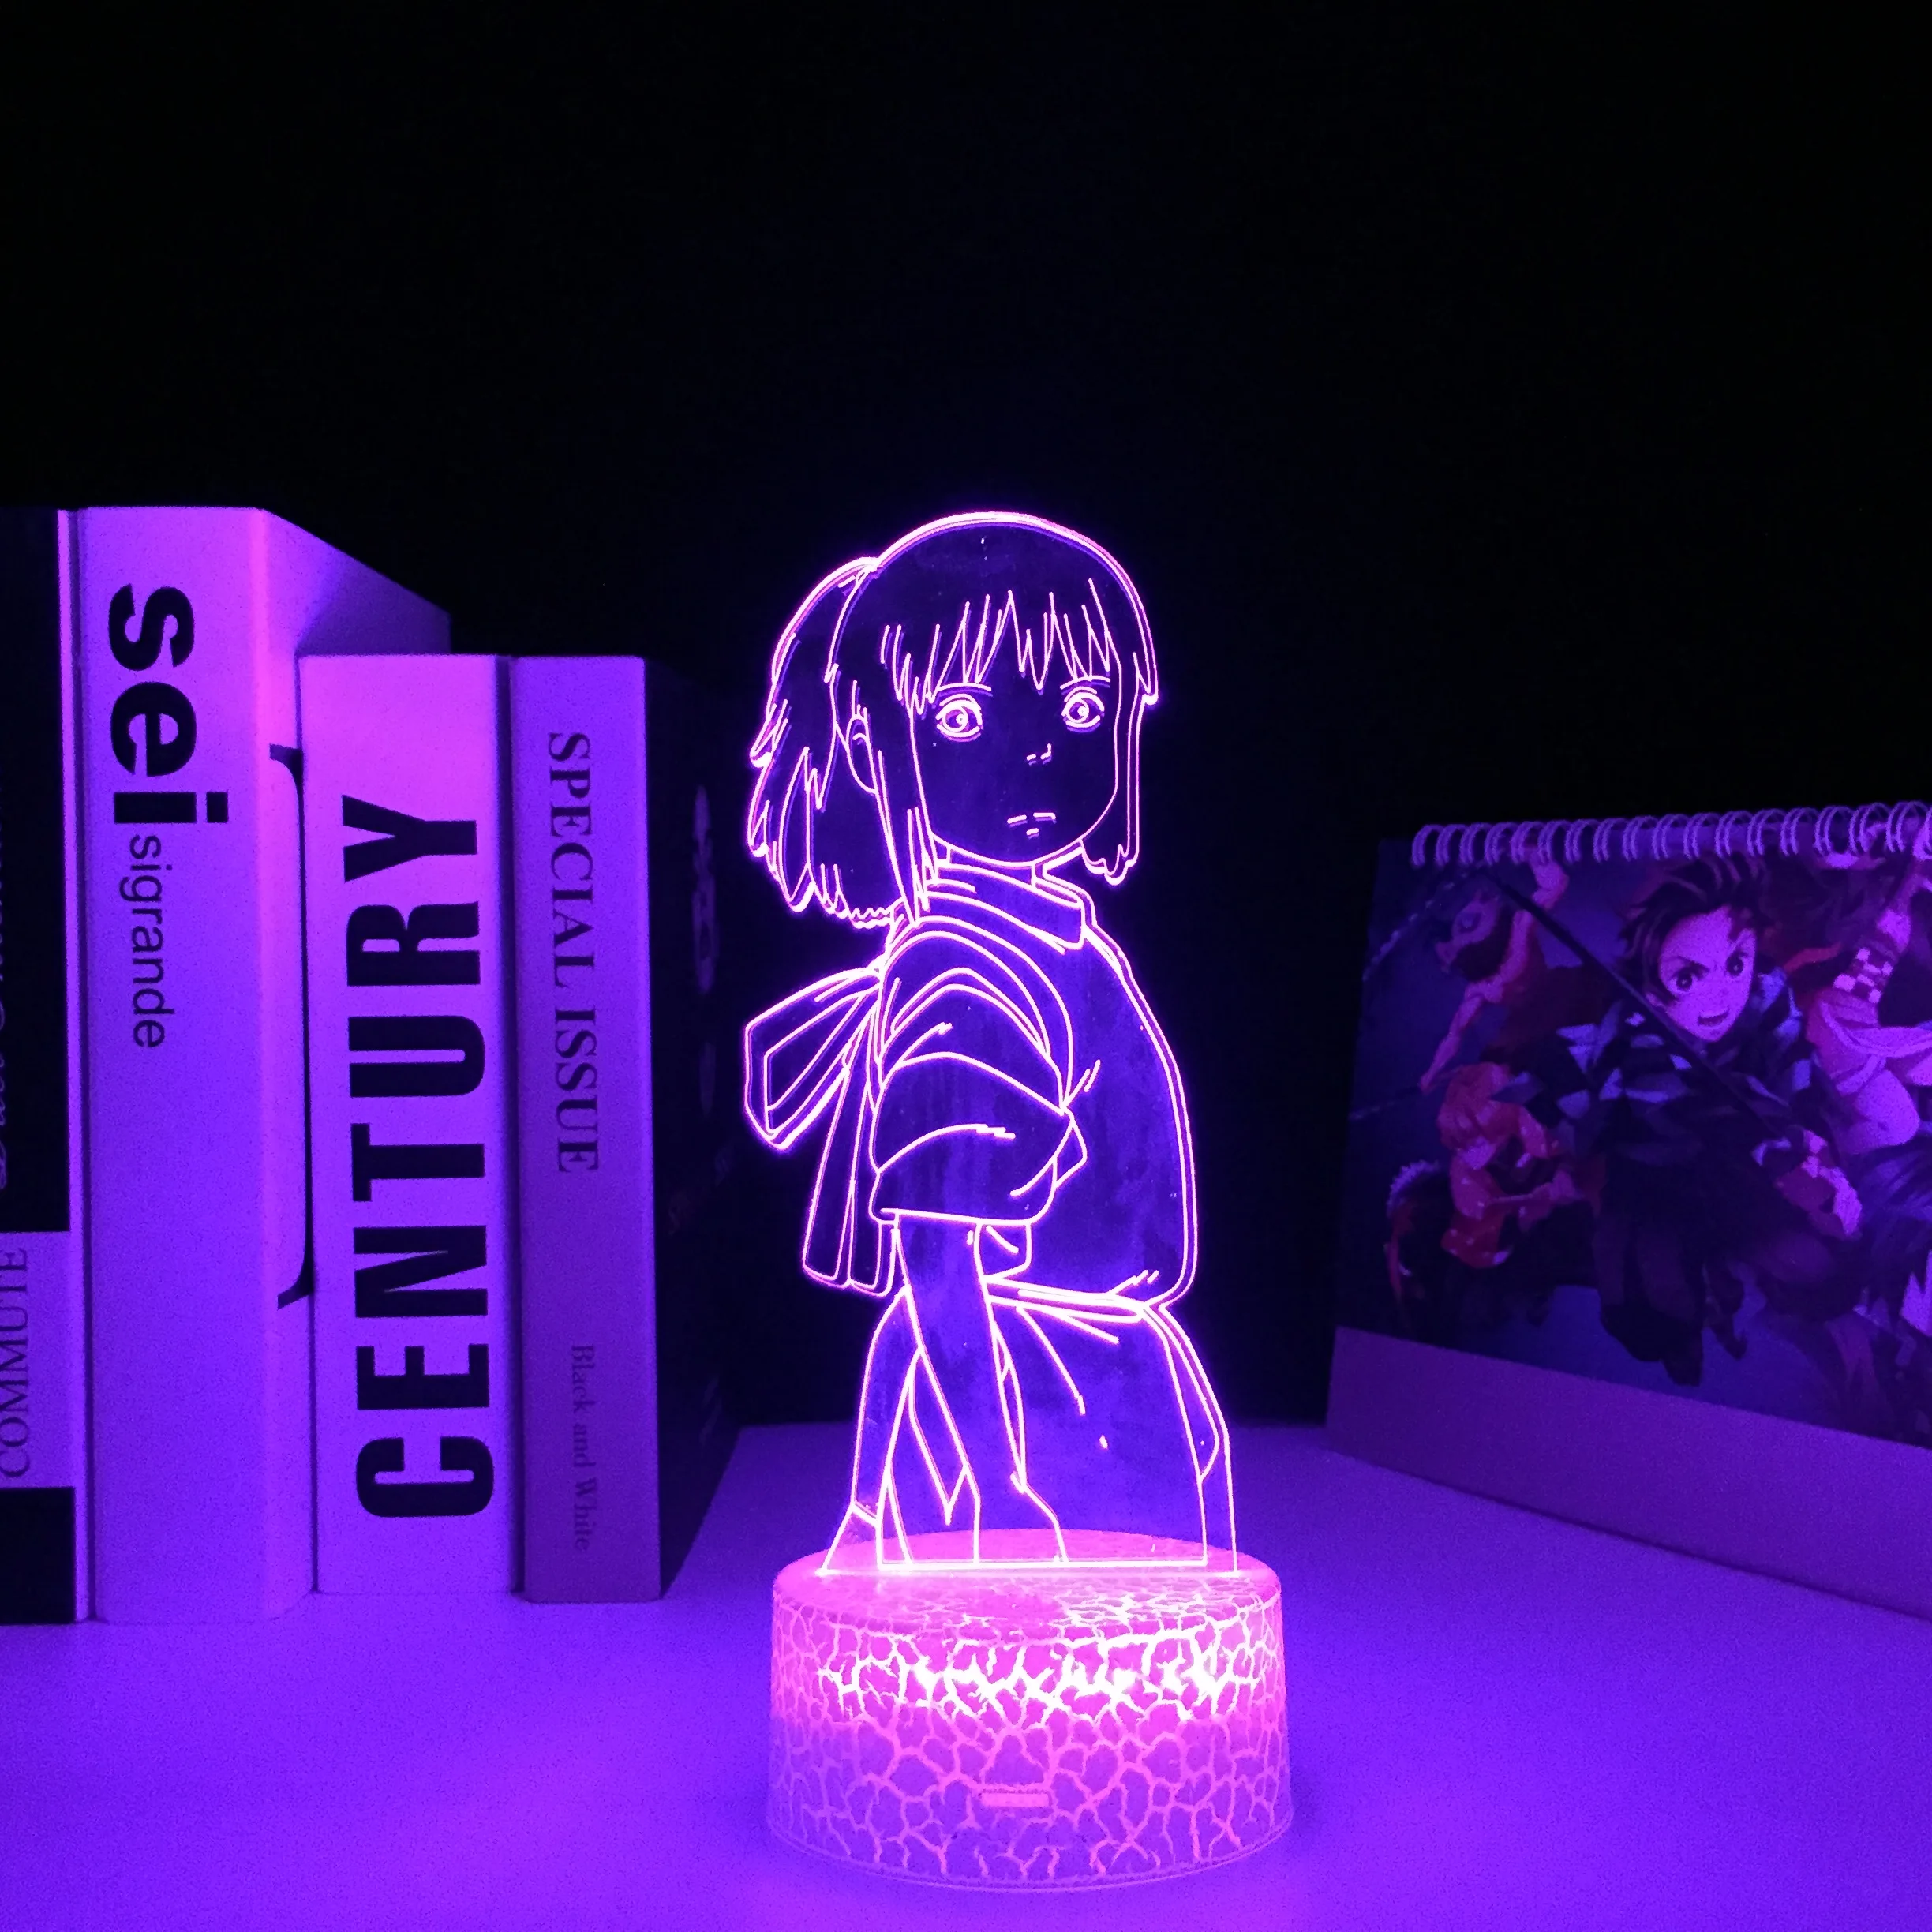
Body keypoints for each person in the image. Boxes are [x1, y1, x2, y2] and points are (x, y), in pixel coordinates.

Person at [741, 514, 1233, 1567]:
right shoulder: (967, 982)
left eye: (1083, 705)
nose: (1040, 748)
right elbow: (937, 1257)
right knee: (1081, 1666)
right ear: (878, 746)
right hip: (1039, 1391)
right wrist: (999, 1486)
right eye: (964, 717)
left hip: (1089, 1375)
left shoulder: (1046, 940)